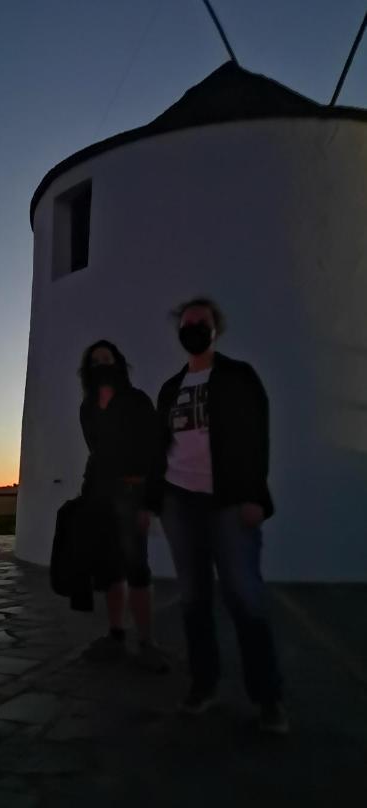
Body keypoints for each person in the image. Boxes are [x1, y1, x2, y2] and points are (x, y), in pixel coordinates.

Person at [147, 297, 287, 734]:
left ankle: (268, 699)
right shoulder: (171, 389)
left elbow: (255, 438)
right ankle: (203, 685)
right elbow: (159, 447)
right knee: (193, 601)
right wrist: (156, 503)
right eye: (186, 324)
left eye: (200, 323)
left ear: (215, 328)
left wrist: (253, 497)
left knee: (245, 597)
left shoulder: (239, 378)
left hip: (228, 501)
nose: (193, 329)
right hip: (180, 503)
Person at [79, 340, 167, 671]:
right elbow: (97, 454)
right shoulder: (88, 407)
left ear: (119, 363)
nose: (102, 365)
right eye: (96, 361)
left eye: (107, 359)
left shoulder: (137, 401)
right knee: (110, 569)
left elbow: (155, 451)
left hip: (132, 494)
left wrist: (149, 502)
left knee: (136, 568)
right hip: (100, 496)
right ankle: (116, 634)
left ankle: (146, 641)